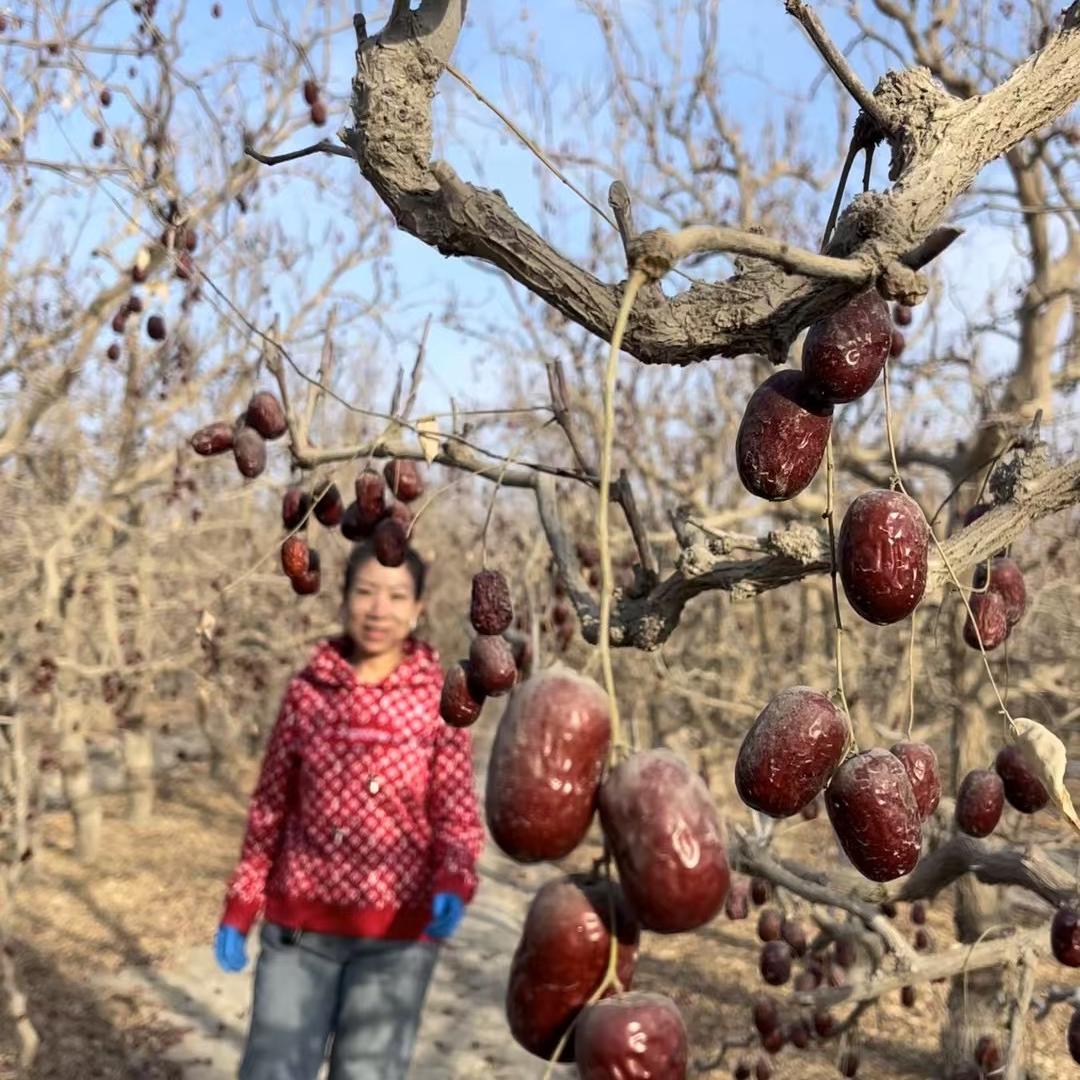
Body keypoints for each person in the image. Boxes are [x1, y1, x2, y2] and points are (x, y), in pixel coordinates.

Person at [212, 539, 485, 1080]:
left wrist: (455, 880)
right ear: (343, 599)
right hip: (299, 933)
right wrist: (242, 904)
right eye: (365, 592)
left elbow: (456, 812)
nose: (378, 609)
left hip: (399, 939)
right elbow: (270, 807)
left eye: (396, 596)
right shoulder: (308, 691)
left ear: (418, 609)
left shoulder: (442, 697)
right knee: (272, 1071)